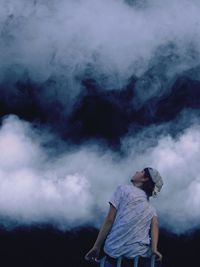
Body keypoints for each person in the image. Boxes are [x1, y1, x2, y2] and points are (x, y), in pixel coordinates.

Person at [84, 167, 164, 267]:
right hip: (139, 255)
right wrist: (154, 249)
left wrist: (96, 246)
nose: (137, 171)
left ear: (145, 179)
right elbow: (155, 226)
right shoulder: (150, 207)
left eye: (142, 171)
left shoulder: (123, 189)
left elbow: (109, 219)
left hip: (115, 253)